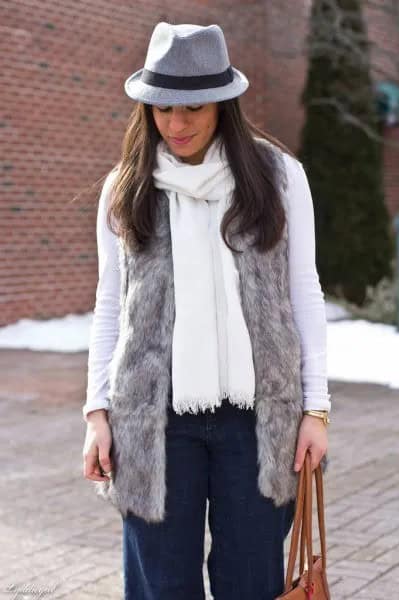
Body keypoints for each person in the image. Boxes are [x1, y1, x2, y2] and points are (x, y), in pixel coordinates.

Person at [82, 21, 331, 600]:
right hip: (153, 422)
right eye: (163, 107)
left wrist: (316, 409)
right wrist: (97, 410)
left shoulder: (277, 178)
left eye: (194, 106)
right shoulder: (126, 188)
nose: (177, 123)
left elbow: (304, 292)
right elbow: (110, 305)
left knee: (251, 583)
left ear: (223, 101)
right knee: (161, 587)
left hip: (258, 421)